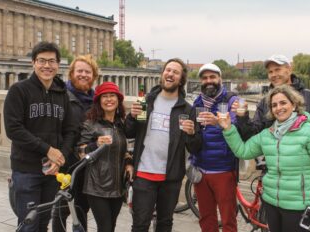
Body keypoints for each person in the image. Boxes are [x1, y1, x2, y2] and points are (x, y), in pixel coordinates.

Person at [234, 54, 310, 232]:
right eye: (270, 71)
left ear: (289, 69)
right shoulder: (266, 102)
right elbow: (255, 133)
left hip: (308, 177)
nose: (274, 74)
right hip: (279, 178)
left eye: (278, 69)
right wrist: (242, 118)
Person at [4, 41, 77, 231]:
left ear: (58, 64)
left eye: (51, 61)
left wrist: (60, 156)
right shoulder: (19, 91)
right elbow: (13, 129)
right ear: (33, 63)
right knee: (28, 224)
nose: (47, 66)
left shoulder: (63, 95)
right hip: (26, 169)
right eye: (42, 61)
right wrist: (48, 150)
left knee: (43, 224)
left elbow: (70, 130)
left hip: (52, 172)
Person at [125, 58, 202, 232]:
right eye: (168, 70)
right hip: (144, 173)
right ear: (162, 75)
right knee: (140, 224)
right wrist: (131, 116)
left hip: (171, 177)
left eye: (175, 72)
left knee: (165, 223)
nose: (170, 74)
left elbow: (195, 147)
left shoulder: (186, 110)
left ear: (181, 79)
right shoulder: (147, 101)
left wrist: (191, 134)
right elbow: (129, 132)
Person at [78, 82, 134, 232]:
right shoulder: (91, 124)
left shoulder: (121, 123)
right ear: (99, 101)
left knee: (111, 227)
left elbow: (125, 150)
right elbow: (80, 152)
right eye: (105, 96)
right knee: (105, 228)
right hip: (97, 186)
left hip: (117, 186)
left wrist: (129, 163)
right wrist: (95, 144)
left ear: (118, 100)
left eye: (112, 96)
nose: (109, 100)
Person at [52, 55, 98, 232]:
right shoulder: (61, 96)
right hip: (66, 162)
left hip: (86, 164)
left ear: (93, 76)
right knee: (62, 209)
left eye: (88, 72)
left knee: (82, 209)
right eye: (79, 71)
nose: (83, 75)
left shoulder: (96, 101)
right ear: (71, 73)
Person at [191, 63, 239, 232]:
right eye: (204, 78)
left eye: (212, 77)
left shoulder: (232, 100)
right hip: (201, 171)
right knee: (206, 219)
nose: (208, 81)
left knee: (228, 220)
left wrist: (218, 122)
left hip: (223, 170)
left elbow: (237, 124)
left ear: (220, 79)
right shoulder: (196, 103)